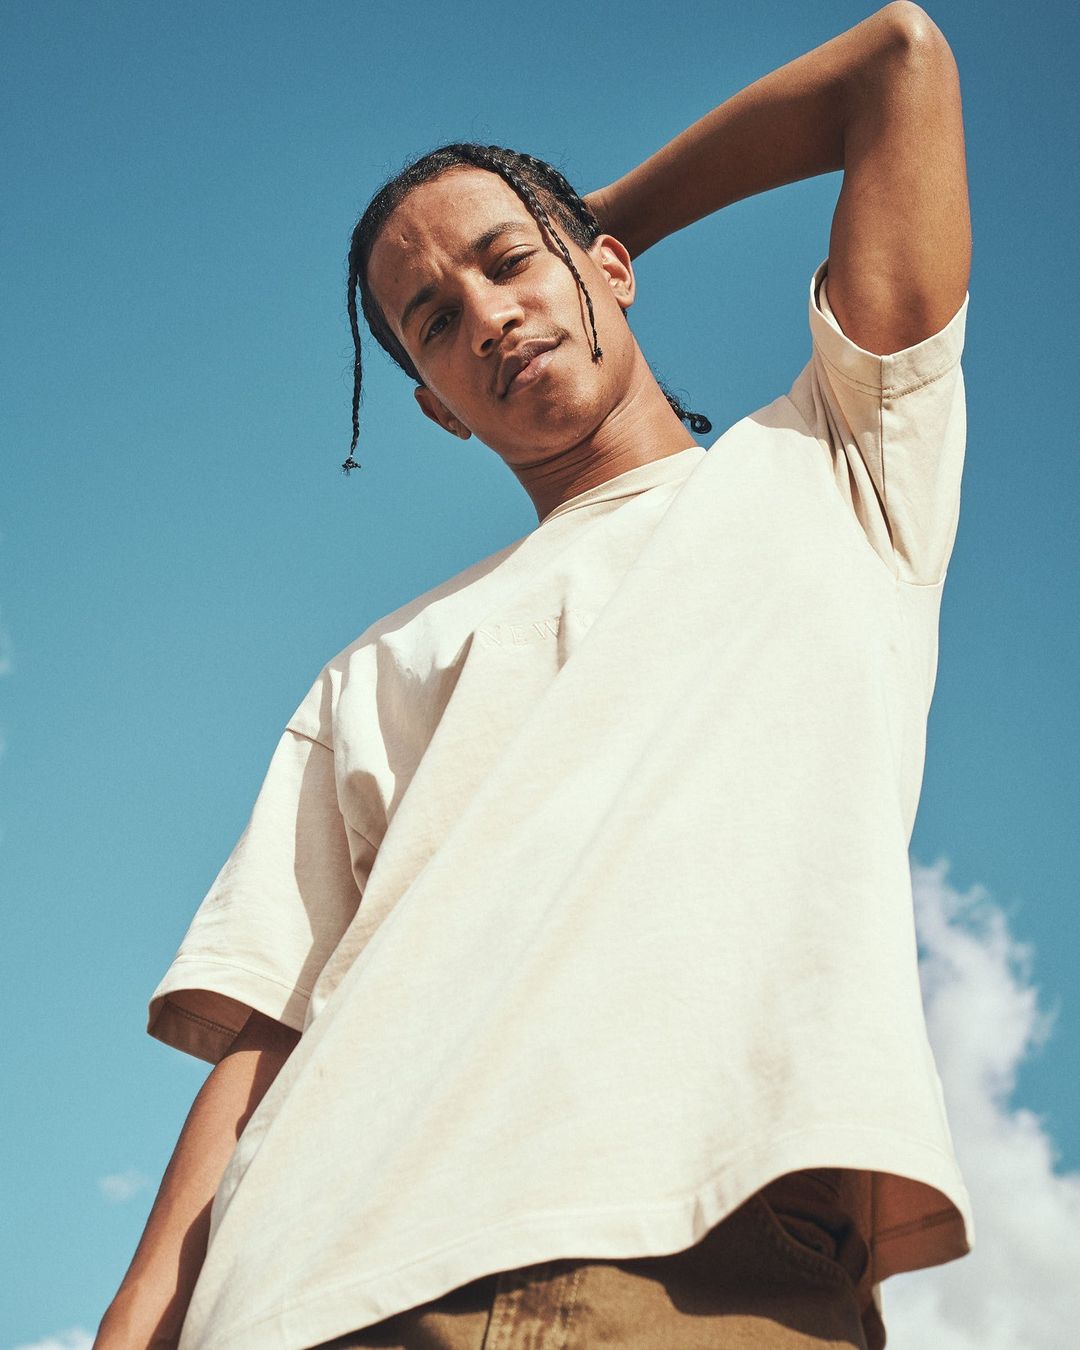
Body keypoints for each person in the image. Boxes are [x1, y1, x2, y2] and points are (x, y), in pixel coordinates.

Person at [95, 3, 973, 1347]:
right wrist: (135, 1326)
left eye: (510, 265)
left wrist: (592, 219)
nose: (490, 317)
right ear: (436, 405)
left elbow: (897, 62)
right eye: (436, 321)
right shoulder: (374, 671)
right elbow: (268, 1033)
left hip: (700, 1251)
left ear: (611, 267)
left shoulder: (840, 465)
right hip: (315, 1289)